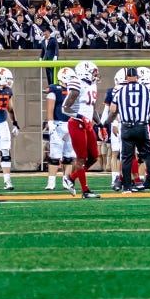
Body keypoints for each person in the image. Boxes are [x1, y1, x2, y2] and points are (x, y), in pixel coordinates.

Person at [104, 67, 150, 193]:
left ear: (126, 78)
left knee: (127, 157)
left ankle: (127, 187)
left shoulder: (120, 91)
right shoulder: (145, 89)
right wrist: (145, 110)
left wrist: (110, 120)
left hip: (126, 127)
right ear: (137, 77)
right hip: (141, 126)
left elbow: (113, 109)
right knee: (147, 153)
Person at [59, 61, 103, 198]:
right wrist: (80, 116)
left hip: (88, 125)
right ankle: (85, 191)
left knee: (94, 157)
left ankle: (70, 178)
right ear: (85, 72)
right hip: (77, 123)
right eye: (93, 71)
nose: (96, 74)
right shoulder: (77, 83)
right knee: (81, 158)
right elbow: (65, 108)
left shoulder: (92, 85)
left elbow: (92, 108)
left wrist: (100, 125)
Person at [45, 67, 75, 192]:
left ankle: (66, 181)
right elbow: (50, 107)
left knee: (69, 155)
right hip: (58, 124)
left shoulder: (74, 90)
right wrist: (50, 122)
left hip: (71, 123)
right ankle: (51, 182)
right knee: (54, 155)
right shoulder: (54, 89)